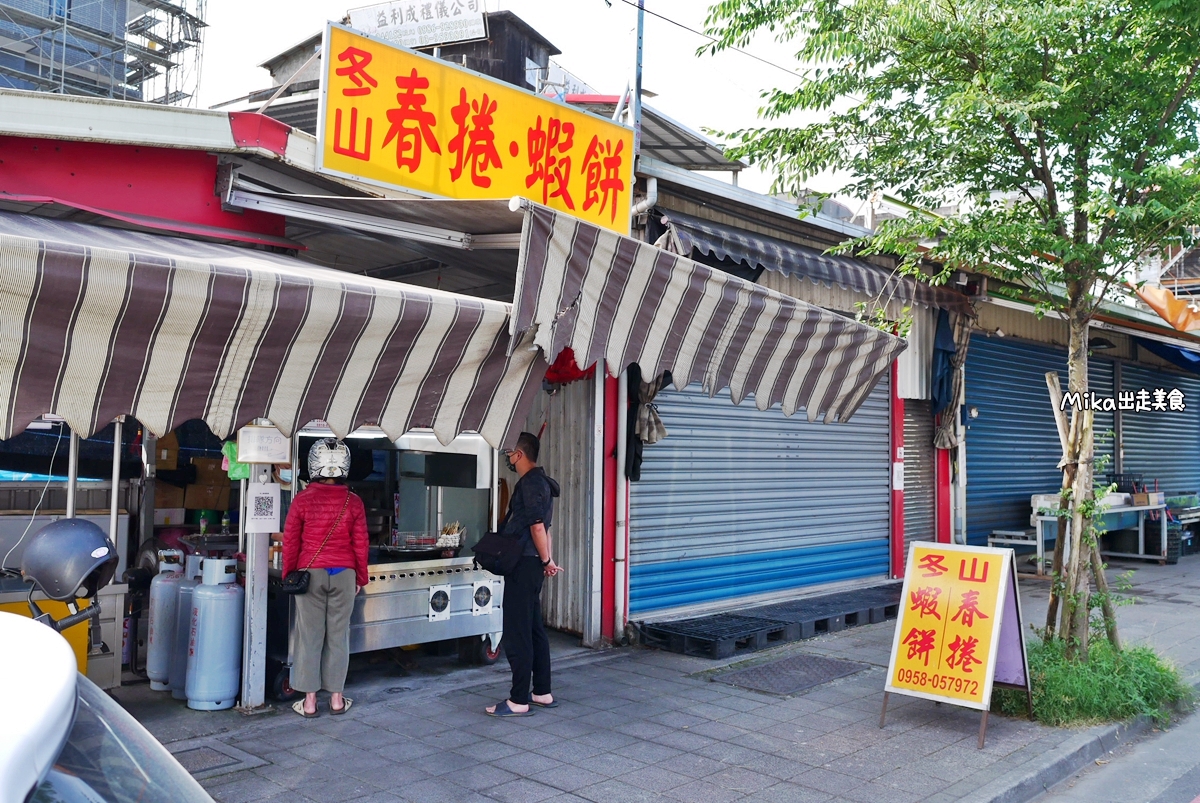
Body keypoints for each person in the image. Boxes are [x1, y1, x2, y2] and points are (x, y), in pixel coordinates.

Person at [282, 438, 369, 718]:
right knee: (338, 636)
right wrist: (361, 579)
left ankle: (308, 702)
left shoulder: (302, 500)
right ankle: (336, 700)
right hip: (344, 574)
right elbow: (361, 545)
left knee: (309, 636)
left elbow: (291, 542)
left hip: (310, 574)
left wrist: (288, 575)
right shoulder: (353, 502)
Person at [486, 431, 562, 718]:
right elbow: (545, 529)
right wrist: (547, 561)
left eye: (509, 453)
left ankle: (518, 699)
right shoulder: (541, 483)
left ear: (520, 454)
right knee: (534, 629)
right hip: (534, 564)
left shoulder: (531, 484)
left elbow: (538, 526)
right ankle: (542, 691)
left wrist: (545, 559)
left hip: (523, 564)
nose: (508, 457)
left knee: (518, 633)